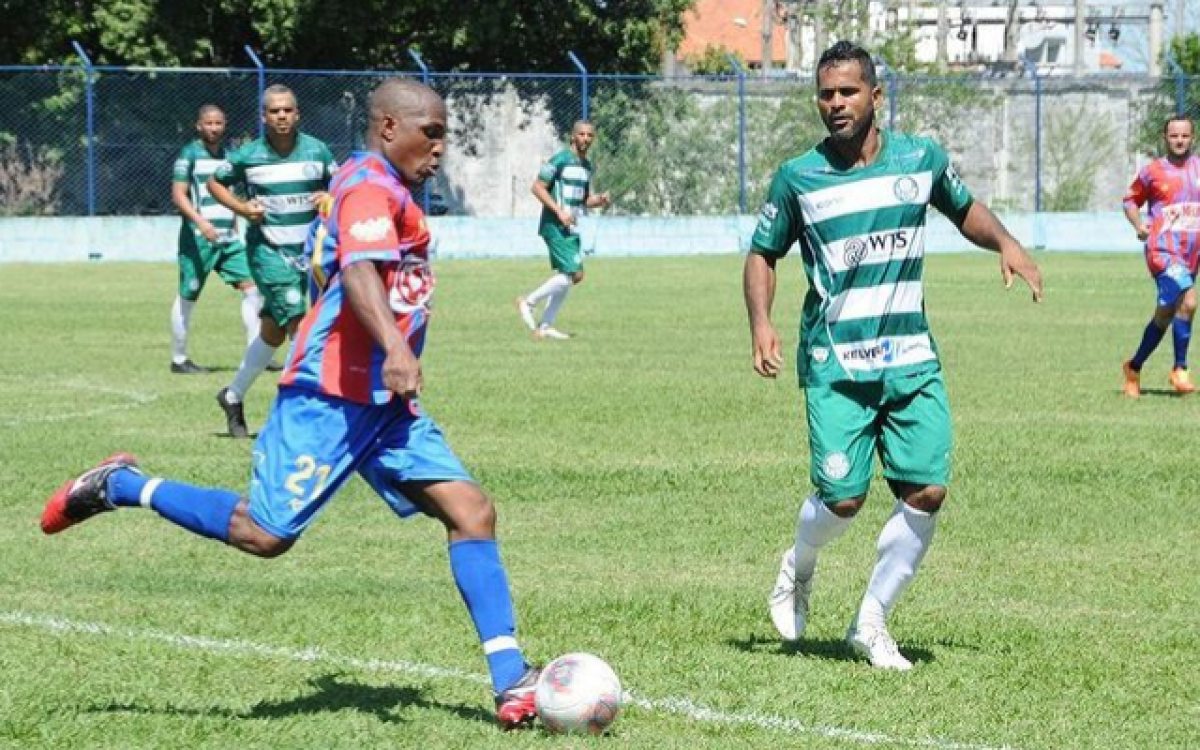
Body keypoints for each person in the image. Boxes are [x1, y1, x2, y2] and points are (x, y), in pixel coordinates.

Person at [41, 79, 541, 730]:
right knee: (265, 534)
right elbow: (360, 270)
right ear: (390, 127)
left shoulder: (377, 184)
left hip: (382, 405)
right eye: (433, 132)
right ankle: (121, 485)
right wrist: (394, 345)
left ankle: (512, 682)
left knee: (472, 511)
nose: (442, 146)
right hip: (329, 398)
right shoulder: (368, 186)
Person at [746, 41, 1043, 670]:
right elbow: (762, 252)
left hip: (911, 361)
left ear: (876, 96)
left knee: (928, 491)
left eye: (847, 92)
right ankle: (798, 565)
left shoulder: (919, 159)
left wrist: (1007, 244)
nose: (835, 104)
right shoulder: (799, 176)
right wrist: (762, 324)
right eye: (825, 94)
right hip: (838, 365)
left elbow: (965, 210)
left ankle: (871, 620)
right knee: (842, 500)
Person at [208, 84, 337, 437]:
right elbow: (215, 183)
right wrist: (242, 208)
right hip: (270, 255)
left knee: (273, 331)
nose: (281, 116)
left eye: (287, 110)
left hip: (309, 258)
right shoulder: (249, 156)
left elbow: (339, 186)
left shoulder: (317, 151)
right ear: (264, 117)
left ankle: (233, 395)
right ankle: (306, 417)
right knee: (301, 326)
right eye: (273, 111)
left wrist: (329, 196)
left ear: (297, 114)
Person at [169, 104, 263, 373]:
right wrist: (200, 222)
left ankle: (256, 353)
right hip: (198, 239)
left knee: (253, 290)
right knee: (189, 294)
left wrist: (242, 215)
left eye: (218, 123)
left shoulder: (229, 157)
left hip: (229, 239)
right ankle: (179, 359)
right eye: (208, 123)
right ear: (198, 126)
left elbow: (231, 193)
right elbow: (178, 195)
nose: (214, 128)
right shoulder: (189, 154)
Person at [1120, 115, 1200, 398]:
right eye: (1174, 135)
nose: (1179, 140)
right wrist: (1139, 224)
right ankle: (1180, 369)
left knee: (1165, 315)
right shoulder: (1152, 171)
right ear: (1165, 138)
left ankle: (1134, 366)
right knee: (1189, 301)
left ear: (1193, 137)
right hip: (1162, 250)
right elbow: (1130, 200)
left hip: (1190, 255)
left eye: (1185, 136)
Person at [516, 120, 611, 340]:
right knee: (571, 273)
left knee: (574, 275)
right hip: (554, 224)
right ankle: (528, 302)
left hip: (569, 226)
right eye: (582, 134)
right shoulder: (560, 160)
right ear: (572, 136)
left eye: (590, 135)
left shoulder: (586, 166)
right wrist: (558, 211)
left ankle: (545, 325)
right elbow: (537, 187)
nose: (585, 139)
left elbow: (584, 199)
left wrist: (600, 200)